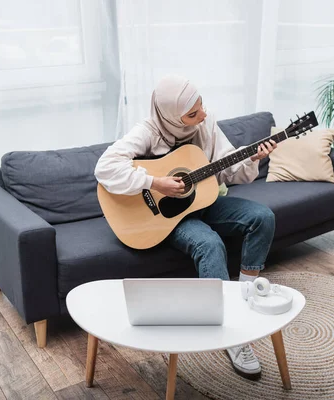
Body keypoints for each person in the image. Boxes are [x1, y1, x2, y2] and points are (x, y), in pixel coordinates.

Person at [94, 75, 277, 380]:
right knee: (210, 244)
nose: (202, 116)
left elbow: (229, 168)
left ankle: (244, 293)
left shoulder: (205, 124)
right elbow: (105, 168)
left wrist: (252, 157)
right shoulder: (148, 132)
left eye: (201, 106)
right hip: (166, 219)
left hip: (204, 202)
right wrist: (156, 182)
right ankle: (233, 335)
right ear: (170, 116)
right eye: (193, 114)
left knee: (263, 217)